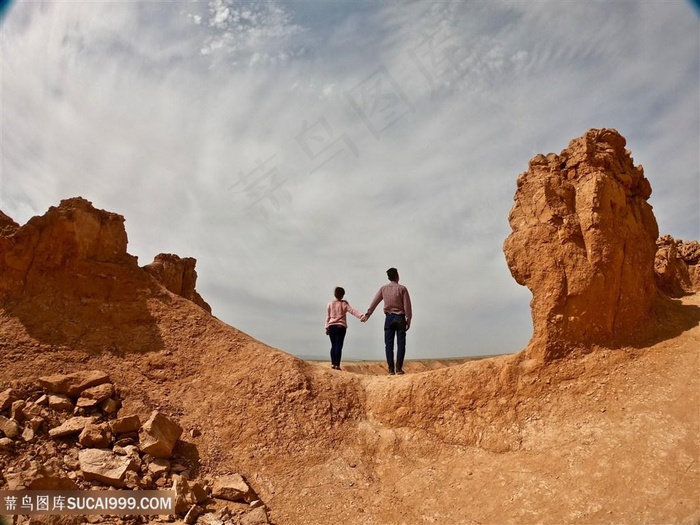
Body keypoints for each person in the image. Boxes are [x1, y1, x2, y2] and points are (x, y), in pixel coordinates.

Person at [363, 268, 412, 375]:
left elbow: (374, 302)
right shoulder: (402, 289)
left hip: (389, 318)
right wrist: (409, 318)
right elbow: (407, 305)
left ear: (388, 277)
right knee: (401, 343)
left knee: (388, 344)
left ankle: (390, 369)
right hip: (400, 317)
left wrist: (368, 314)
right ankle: (399, 369)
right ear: (397, 276)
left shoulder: (383, 289)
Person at [325, 286, 365, 370]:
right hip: (340, 326)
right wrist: (361, 316)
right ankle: (337, 365)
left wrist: (326, 327)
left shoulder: (330, 303)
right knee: (339, 345)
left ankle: (333, 363)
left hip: (331, 326)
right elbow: (353, 311)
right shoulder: (344, 304)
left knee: (333, 345)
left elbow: (327, 317)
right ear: (343, 295)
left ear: (334, 294)